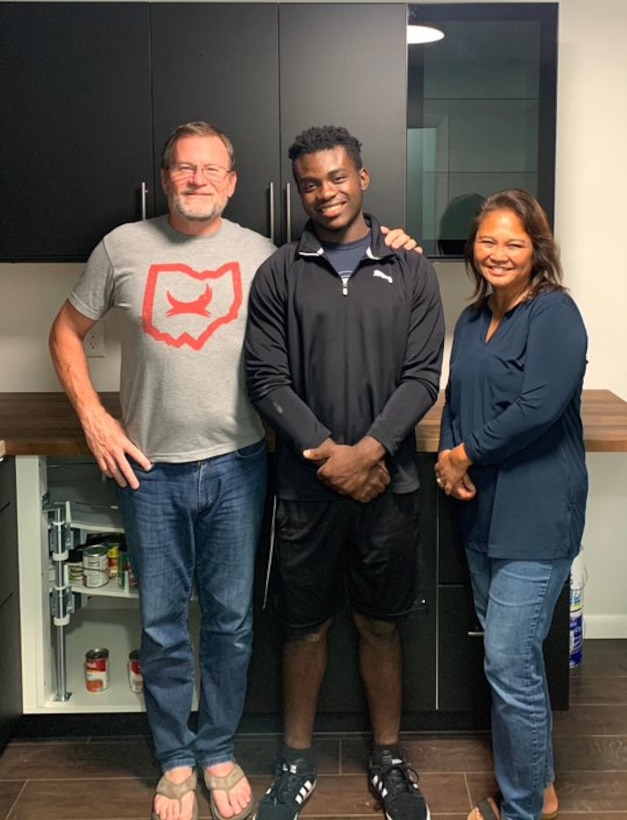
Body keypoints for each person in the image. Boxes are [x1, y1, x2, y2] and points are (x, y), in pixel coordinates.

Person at [48, 121, 420, 820]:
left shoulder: (265, 257)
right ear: (164, 178)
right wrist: (95, 420)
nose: (196, 180)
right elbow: (65, 331)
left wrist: (391, 242)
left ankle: (216, 749)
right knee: (160, 624)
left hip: (240, 465)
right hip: (148, 470)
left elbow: (324, 304)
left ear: (232, 181)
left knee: (230, 622)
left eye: (209, 170)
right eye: (183, 169)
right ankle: (175, 760)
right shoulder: (120, 248)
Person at [245, 125, 445, 820]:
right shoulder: (278, 271)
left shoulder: (411, 268)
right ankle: (294, 762)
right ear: (296, 189)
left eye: (336, 177)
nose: (324, 192)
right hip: (305, 488)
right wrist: (331, 456)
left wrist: (370, 453)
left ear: (362, 178)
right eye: (309, 182)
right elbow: (265, 377)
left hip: (389, 487)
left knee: (380, 625)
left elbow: (423, 376)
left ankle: (388, 760)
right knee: (302, 628)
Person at [434, 189, 588, 820]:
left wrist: (465, 453)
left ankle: (520, 808)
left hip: (537, 508)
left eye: (513, 243)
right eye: (487, 241)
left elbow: (538, 409)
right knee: (515, 658)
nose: (497, 254)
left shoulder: (555, 314)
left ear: (537, 250)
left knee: (507, 660)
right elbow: (457, 394)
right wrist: (450, 459)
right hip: (481, 510)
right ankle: (541, 787)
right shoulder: (472, 318)